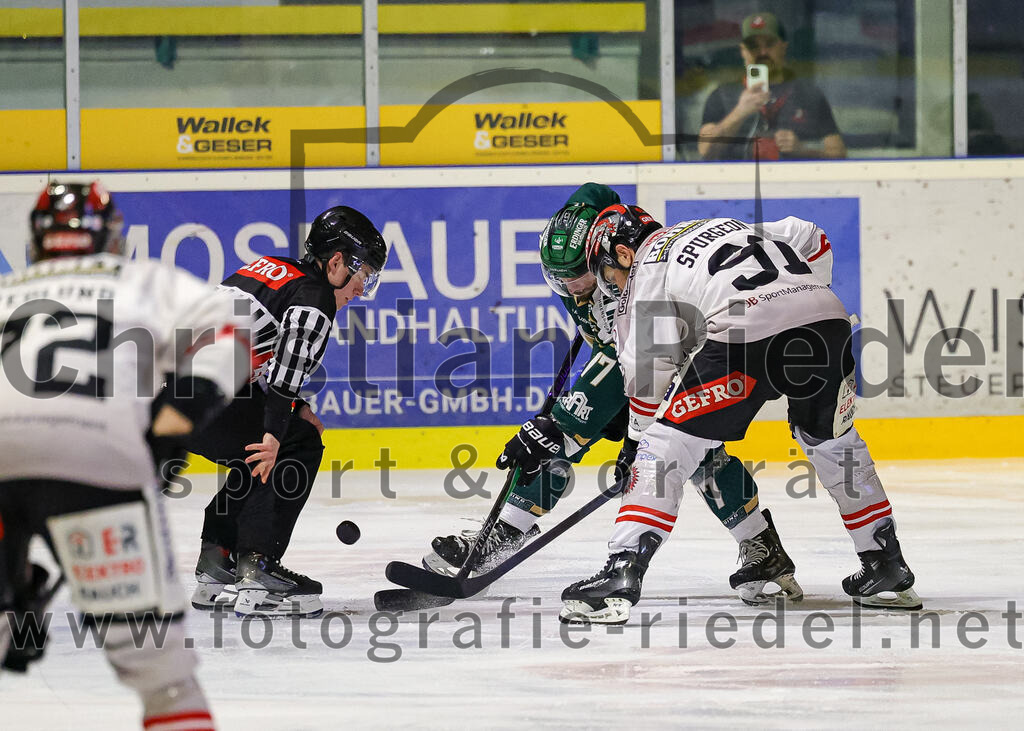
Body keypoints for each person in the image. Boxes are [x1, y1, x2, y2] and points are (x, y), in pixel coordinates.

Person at [424, 183, 803, 610]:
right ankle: (761, 546)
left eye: (580, 276)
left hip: (674, 360)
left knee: (663, 446)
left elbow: (628, 353)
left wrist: (592, 428)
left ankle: (760, 546)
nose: (573, 288)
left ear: (603, 254)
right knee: (639, 446)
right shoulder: (579, 275)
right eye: (560, 280)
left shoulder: (636, 268)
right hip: (637, 364)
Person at [559, 205, 921, 625]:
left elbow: (645, 383)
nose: (609, 285)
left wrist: (637, 445)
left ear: (623, 253)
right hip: (827, 323)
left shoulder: (644, 272)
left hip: (746, 334)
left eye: (605, 273)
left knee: (665, 446)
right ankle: (885, 564)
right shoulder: (726, 227)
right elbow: (813, 236)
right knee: (835, 444)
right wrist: (797, 297)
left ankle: (621, 574)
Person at [0, 181, 251, 730]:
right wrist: (171, 427)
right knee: (164, 678)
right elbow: (230, 336)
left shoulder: (6, 291)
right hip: (100, 463)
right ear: (112, 236)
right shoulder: (145, 280)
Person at [188, 205, 387, 618]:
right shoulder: (316, 299)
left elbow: (253, 362)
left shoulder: (270, 267)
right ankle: (257, 567)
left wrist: (294, 411)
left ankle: (217, 559)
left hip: (169, 395)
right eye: (363, 276)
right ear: (336, 263)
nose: (360, 290)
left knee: (269, 436)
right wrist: (279, 432)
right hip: (200, 398)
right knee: (295, 445)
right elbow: (281, 382)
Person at [698, 11, 847, 161]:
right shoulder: (723, 95)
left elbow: (839, 154)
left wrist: (803, 150)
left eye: (769, 44)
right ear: (743, 51)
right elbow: (706, 151)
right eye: (753, 46)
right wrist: (739, 113)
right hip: (739, 183)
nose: (762, 52)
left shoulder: (808, 94)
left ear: (783, 47)